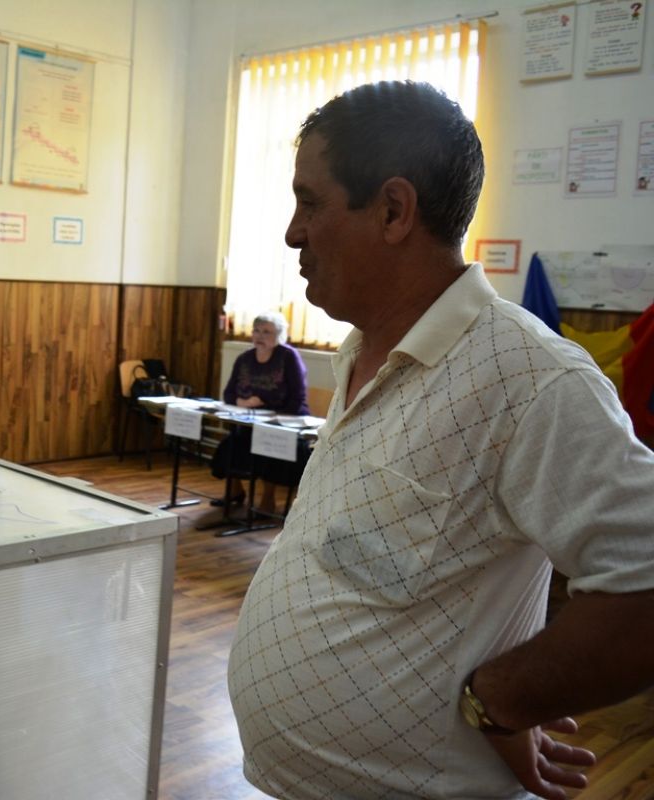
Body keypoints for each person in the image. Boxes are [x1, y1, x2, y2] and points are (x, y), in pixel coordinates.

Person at [227, 80, 654, 800]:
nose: (293, 233)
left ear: (394, 210)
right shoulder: (360, 347)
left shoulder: (531, 379)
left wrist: (502, 701)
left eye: (310, 202)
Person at [209, 311, 309, 511]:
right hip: (250, 419)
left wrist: (270, 412)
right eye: (256, 330)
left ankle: (268, 500)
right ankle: (235, 491)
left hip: (284, 421)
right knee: (230, 445)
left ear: (279, 335)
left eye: (266, 332)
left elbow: (297, 398)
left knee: (268, 448)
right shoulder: (244, 358)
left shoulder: (288, 357)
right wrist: (241, 402)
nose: (260, 336)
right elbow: (228, 393)